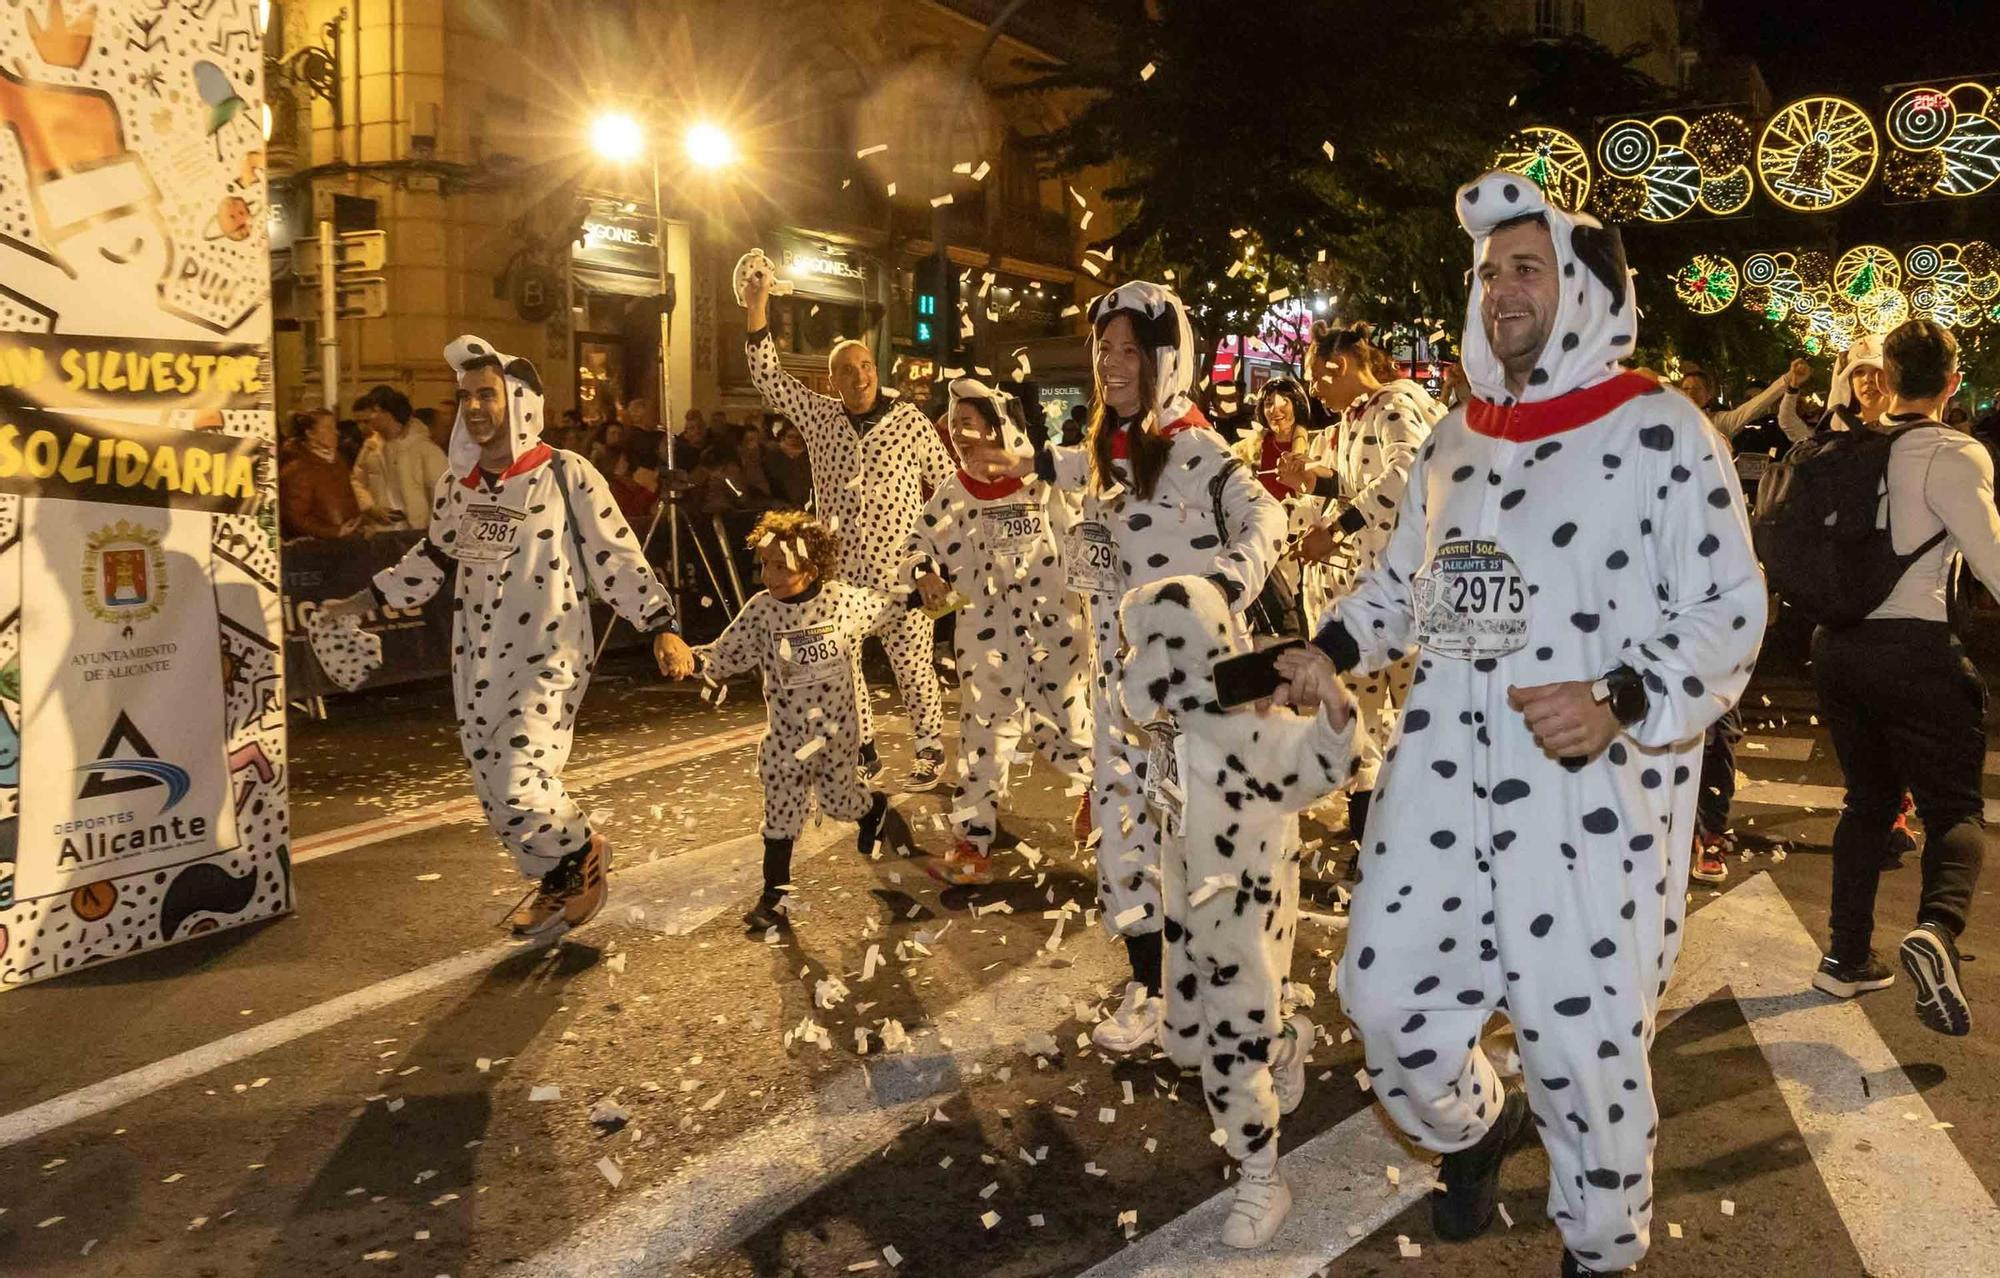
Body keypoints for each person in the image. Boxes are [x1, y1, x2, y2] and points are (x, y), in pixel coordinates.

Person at [1275, 173, 1765, 1278]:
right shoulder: (1455, 436)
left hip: (1588, 803)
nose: (1500, 289)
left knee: (1584, 1055)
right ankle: (1475, 1130)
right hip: (1440, 780)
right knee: (1382, 1001)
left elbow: (1728, 607)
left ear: (1582, 291)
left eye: (1526, 269)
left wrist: (1618, 698)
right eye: (1489, 271)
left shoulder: (1659, 428)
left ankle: (1600, 1255)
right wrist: (1329, 650)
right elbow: (1402, 588)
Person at [321, 335, 696, 940]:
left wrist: (660, 626)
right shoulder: (458, 486)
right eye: (465, 396)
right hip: (475, 659)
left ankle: (580, 851)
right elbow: (432, 560)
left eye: (487, 395)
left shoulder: (565, 474)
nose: (473, 407)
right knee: (492, 788)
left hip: (549, 652)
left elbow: (615, 554)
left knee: (519, 775)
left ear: (519, 401)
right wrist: (360, 603)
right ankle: (556, 878)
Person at [1025, 280, 1288, 1055]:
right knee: (1124, 841)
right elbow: (1058, 471)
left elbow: (1265, 517)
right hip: (1120, 694)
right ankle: (1149, 986)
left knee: (1206, 850)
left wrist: (1219, 587)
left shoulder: (1198, 450)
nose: (1111, 363)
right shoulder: (1106, 451)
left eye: (1129, 351)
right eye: (1103, 349)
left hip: (1193, 697)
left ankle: (1233, 1005)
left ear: (1164, 360)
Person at [1118, 574, 1357, 1247]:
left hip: (1246, 915)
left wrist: (1333, 704)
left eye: (1159, 647)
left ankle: (1261, 1174)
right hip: (1187, 912)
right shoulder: (1170, 729)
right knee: (1188, 1042)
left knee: (1230, 1049)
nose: (1144, 664)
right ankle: (1284, 1043)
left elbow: (1320, 758)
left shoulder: (1248, 728)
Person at [1807, 319, 2000, 1037]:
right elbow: (1993, 560)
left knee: (1867, 801)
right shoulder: (1953, 452)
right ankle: (1936, 929)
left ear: (1885, 378)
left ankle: (1845, 955)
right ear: (1953, 382)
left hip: (1836, 648)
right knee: (1955, 810)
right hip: (1912, 648)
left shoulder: (1846, 448)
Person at [742, 263, 953, 791]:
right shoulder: (819, 417)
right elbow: (768, 378)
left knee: (914, 668)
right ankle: (863, 751)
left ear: (876, 371)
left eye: (865, 366)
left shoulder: (909, 421)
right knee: (842, 668)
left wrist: (938, 561)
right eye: (846, 370)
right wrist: (757, 306)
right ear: (831, 380)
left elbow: (948, 487)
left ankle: (929, 747)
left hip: (902, 573)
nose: (859, 377)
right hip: (840, 577)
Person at [681, 509, 914, 932]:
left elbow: (889, 604)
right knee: (781, 815)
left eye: (780, 566)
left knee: (840, 803)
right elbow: (725, 653)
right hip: (786, 738)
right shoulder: (762, 611)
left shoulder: (842, 601)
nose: (768, 575)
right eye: (764, 564)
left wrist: (926, 591)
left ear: (811, 567)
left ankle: (873, 809)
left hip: (837, 734)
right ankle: (774, 898)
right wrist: (691, 661)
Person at [908, 377, 1092, 884]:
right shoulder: (952, 492)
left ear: (995, 428)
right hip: (984, 637)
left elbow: (1083, 533)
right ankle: (973, 842)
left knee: (1070, 726)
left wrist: (1096, 610)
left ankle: (1096, 792)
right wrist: (924, 573)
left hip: (1055, 633)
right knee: (982, 736)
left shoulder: (1041, 482)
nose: (957, 433)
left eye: (967, 422)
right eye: (953, 424)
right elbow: (918, 543)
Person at [1292, 321, 1446, 850]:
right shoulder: (1359, 417)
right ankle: (1375, 829)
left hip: (1402, 599)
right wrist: (1316, 482)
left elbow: (1407, 476)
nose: (1314, 389)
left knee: (1411, 717)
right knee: (1367, 717)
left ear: (1340, 364)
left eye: (1316, 376)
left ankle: (1413, 832)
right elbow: (1365, 484)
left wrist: (1336, 529)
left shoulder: (1395, 404)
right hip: (1368, 597)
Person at [1677, 356, 1811, 885]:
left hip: (1717, 636)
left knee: (1717, 735)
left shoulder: (1728, 516)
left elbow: (1747, 585)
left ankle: (1711, 833)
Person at [350, 385, 449, 532]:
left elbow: (442, 492)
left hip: (415, 530)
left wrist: (434, 529)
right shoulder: (370, 447)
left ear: (389, 413)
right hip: (380, 529)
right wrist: (370, 508)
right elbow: (357, 481)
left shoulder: (424, 449)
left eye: (375, 411)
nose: (370, 416)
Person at [278, 408, 361, 540]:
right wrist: (333, 532)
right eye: (328, 428)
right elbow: (295, 517)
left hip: (348, 540)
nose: (336, 432)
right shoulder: (297, 468)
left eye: (334, 427)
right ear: (310, 433)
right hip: (319, 546)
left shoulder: (337, 460)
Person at [764, 418, 814, 509]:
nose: (794, 440)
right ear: (784, 437)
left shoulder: (808, 456)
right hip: (782, 504)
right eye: (790, 436)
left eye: (798, 437)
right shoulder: (774, 456)